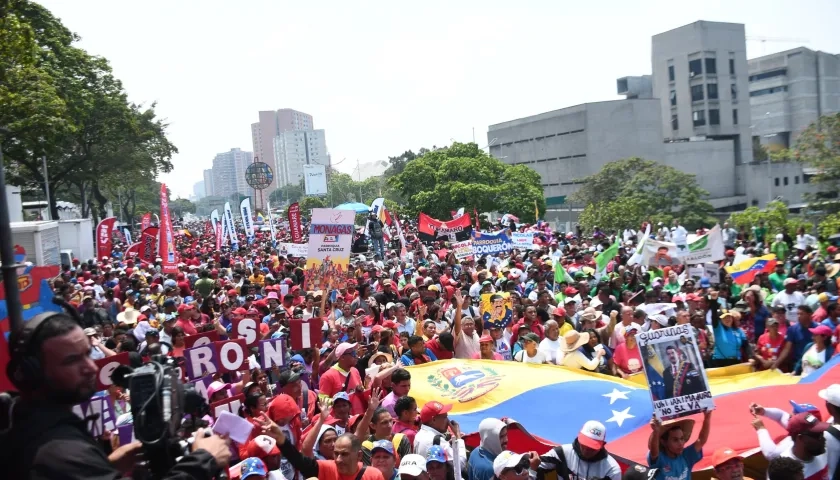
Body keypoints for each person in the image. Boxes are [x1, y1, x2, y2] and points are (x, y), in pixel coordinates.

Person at [1, 312, 231, 479]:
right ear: (31, 372)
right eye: (72, 360)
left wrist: (105, 466)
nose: (91, 368)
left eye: (87, 354)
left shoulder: (23, 417)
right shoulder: (58, 453)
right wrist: (203, 460)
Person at [537, 420, 621, 480]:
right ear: (579, 438)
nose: (586, 450)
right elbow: (530, 468)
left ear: (602, 444)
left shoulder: (612, 469)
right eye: (584, 445)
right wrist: (532, 467)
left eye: (592, 448)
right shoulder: (561, 453)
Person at [648, 411, 713, 480]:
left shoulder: (686, 456)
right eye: (675, 440)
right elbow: (654, 453)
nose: (681, 443)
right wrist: (656, 432)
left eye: (682, 438)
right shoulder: (660, 458)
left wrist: (707, 417)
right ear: (663, 442)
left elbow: (701, 440)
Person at [413, 401, 466, 467]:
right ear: (434, 420)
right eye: (445, 417)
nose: (448, 421)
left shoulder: (419, 435)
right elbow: (460, 464)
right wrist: (458, 435)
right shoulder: (437, 440)